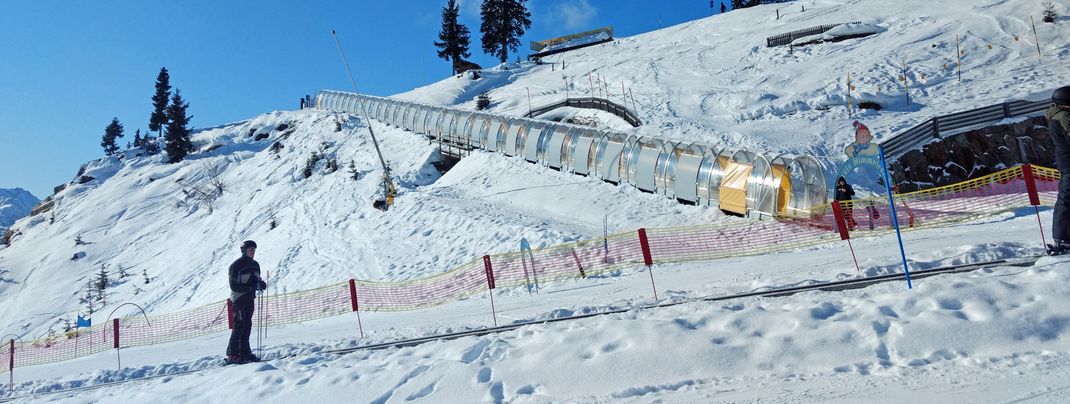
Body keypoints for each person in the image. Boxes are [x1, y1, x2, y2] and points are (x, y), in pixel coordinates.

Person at [226, 240, 267, 364]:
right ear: (244, 251)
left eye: (254, 250)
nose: (253, 252)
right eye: (250, 250)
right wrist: (250, 288)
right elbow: (234, 286)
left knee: (247, 326)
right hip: (238, 300)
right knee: (238, 327)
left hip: (250, 299)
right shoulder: (236, 266)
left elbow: (257, 280)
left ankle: (245, 353)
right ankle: (232, 354)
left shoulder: (255, 265)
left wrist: (261, 284)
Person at [1046, 86, 1070, 255]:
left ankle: (1063, 238)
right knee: (1066, 200)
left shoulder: (1058, 114)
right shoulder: (1064, 117)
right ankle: (1062, 238)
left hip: (1066, 163)